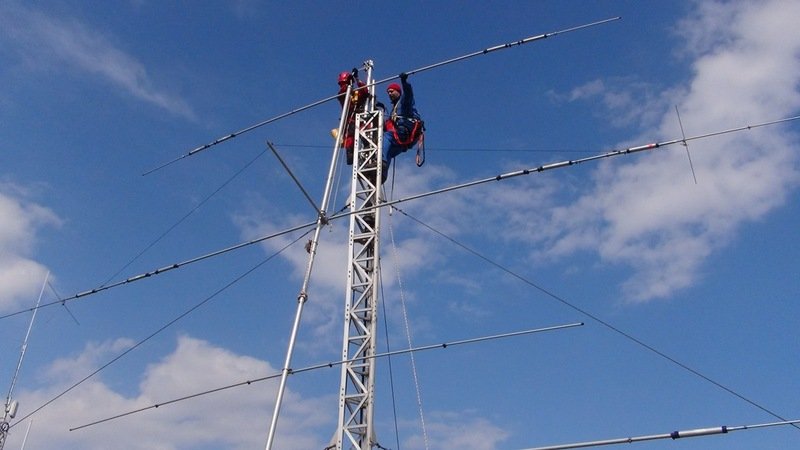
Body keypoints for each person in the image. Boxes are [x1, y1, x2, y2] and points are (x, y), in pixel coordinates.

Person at [382, 72, 423, 183]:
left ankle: (382, 162)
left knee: (386, 137)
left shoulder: (403, 103)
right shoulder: (393, 110)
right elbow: (388, 124)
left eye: (392, 91)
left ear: (398, 92)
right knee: (388, 151)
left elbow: (408, 93)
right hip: (403, 140)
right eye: (388, 92)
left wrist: (404, 82)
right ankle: (382, 174)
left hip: (405, 131)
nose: (389, 94)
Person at [334, 70, 369, 165]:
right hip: (350, 120)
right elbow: (344, 91)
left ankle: (367, 148)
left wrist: (357, 79)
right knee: (350, 136)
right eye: (342, 84)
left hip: (360, 118)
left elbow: (365, 91)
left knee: (365, 132)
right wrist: (349, 83)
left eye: (344, 83)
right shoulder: (342, 94)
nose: (343, 85)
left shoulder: (356, 93)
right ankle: (350, 154)